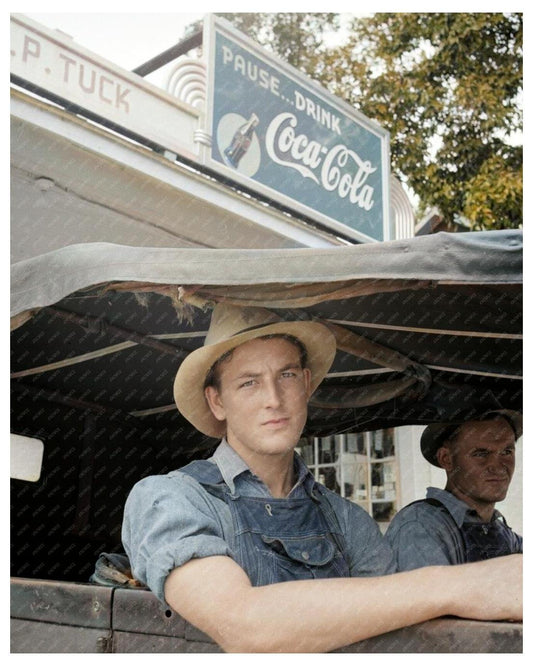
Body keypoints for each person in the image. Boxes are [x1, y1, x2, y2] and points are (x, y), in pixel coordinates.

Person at [122, 304, 522, 653]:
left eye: (288, 376)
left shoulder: (348, 521)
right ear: (217, 401)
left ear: (307, 385)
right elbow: (244, 625)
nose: (274, 399)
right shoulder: (170, 499)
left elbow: (397, 639)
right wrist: (466, 585)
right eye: (249, 382)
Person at [385, 412, 522, 571]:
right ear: (446, 459)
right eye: (481, 454)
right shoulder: (420, 527)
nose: (498, 466)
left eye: (507, 452)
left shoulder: (499, 530)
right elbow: (431, 595)